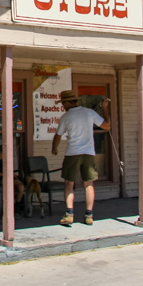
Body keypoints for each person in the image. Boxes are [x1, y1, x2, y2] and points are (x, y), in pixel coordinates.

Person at [51, 91, 110, 225]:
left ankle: (69, 213)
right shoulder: (89, 112)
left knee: (69, 183)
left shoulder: (66, 116)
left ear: (67, 103)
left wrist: (54, 148)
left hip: (73, 152)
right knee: (89, 183)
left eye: (63, 103)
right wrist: (105, 109)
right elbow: (107, 126)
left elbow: (58, 135)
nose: (62, 106)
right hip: (89, 152)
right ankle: (89, 215)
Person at [0, 144, 26, 214]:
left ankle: (17, 205)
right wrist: (8, 174)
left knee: (21, 186)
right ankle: (10, 208)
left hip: (11, 177)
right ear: (0, 152)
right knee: (10, 188)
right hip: (2, 179)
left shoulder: (6, 161)